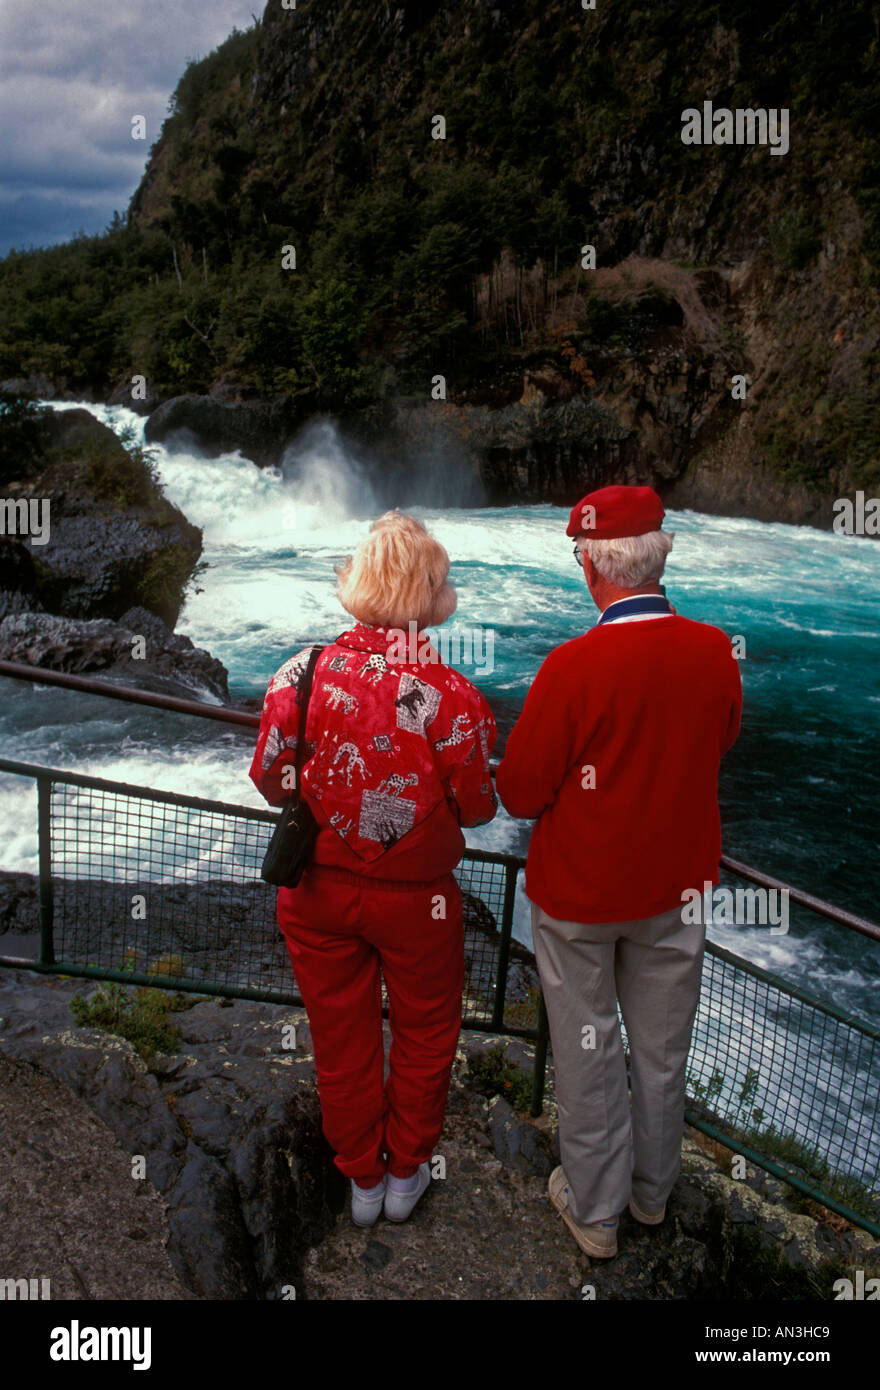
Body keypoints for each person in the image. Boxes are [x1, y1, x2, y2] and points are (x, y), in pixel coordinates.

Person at [496, 485, 742, 1259]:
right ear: (657, 556)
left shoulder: (571, 667)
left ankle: (595, 1210)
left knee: (590, 1046)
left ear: (592, 565)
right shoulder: (715, 651)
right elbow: (718, 741)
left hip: (582, 893)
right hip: (677, 886)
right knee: (662, 1050)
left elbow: (521, 789)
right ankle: (649, 1195)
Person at [249, 510, 497, 1227]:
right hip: (419, 905)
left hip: (318, 892)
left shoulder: (301, 673)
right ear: (433, 596)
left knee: (339, 1034)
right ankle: (406, 1173)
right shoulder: (453, 697)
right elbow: (479, 810)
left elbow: (272, 778)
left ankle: (360, 1178)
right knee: (424, 1033)